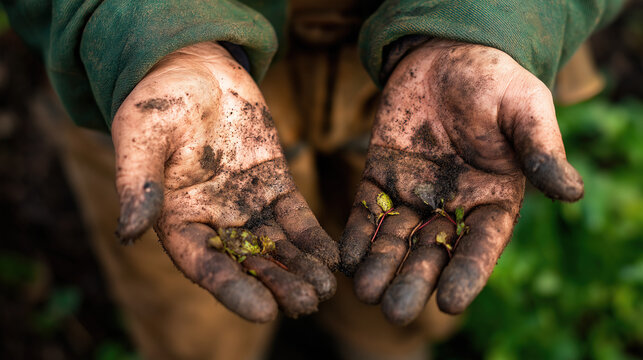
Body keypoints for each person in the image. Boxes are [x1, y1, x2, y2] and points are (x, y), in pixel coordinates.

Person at [1, 0, 623, 359]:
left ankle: (379, 345)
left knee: (407, 290)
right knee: (192, 311)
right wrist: (148, 34)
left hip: (439, 67)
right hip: (163, 78)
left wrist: (494, 19)